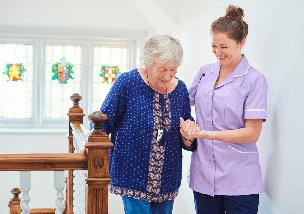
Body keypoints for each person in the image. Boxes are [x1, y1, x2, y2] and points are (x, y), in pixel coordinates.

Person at [180, 5, 268, 214]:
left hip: (239, 180)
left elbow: (252, 133)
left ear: (242, 42)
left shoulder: (255, 80)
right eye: (214, 46)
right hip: (203, 175)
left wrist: (204, 134)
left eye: (224, 47)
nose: (218, 53)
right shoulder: (205, 73)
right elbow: (182, 101)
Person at [100, 34, 193, 214]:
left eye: (173, 69)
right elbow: (103, 123)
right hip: (132, 174)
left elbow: (186, 125)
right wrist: (97, 157)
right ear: (148, 62)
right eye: (162, 69)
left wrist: (189, 136)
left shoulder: (180, 89)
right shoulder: (127, 82)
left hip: (167, 178)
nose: (167, 76)